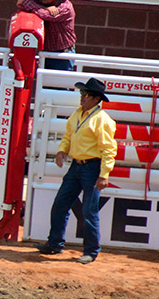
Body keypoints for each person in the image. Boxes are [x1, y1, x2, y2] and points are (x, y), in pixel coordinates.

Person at [38, 78, 117, 264]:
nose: (82, 97)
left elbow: (109, 149)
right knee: (61, 204)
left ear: (96, 98)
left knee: (89, 211)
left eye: (86, 94)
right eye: (82, 93)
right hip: (77, 166)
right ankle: (55, 243)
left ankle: (91, 251)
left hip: (91, 167)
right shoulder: (78, 115)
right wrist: (61, 150)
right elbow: (68, 135)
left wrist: (104, 175)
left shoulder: (102, 120)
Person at [16, 0, 75, 71]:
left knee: (60, 84)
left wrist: (37, 7)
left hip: (62, 55)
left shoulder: (65, 7)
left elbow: (45, 15)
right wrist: (44, 8)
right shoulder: (46, 1)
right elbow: (22, 1)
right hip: (46, 53)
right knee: (44, 84)